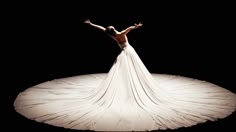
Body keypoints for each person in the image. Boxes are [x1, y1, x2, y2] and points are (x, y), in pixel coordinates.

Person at [14, 19, 236, 131]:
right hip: (128, 51)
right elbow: (128, 29)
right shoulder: (118, 34)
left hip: (124, 52)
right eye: (113, 27)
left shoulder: (111, 36)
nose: (113, 27)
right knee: (127, 71)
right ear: (115, 31)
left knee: (124, 71)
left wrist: (91, 24)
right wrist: (136, 26)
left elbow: (103, 29)